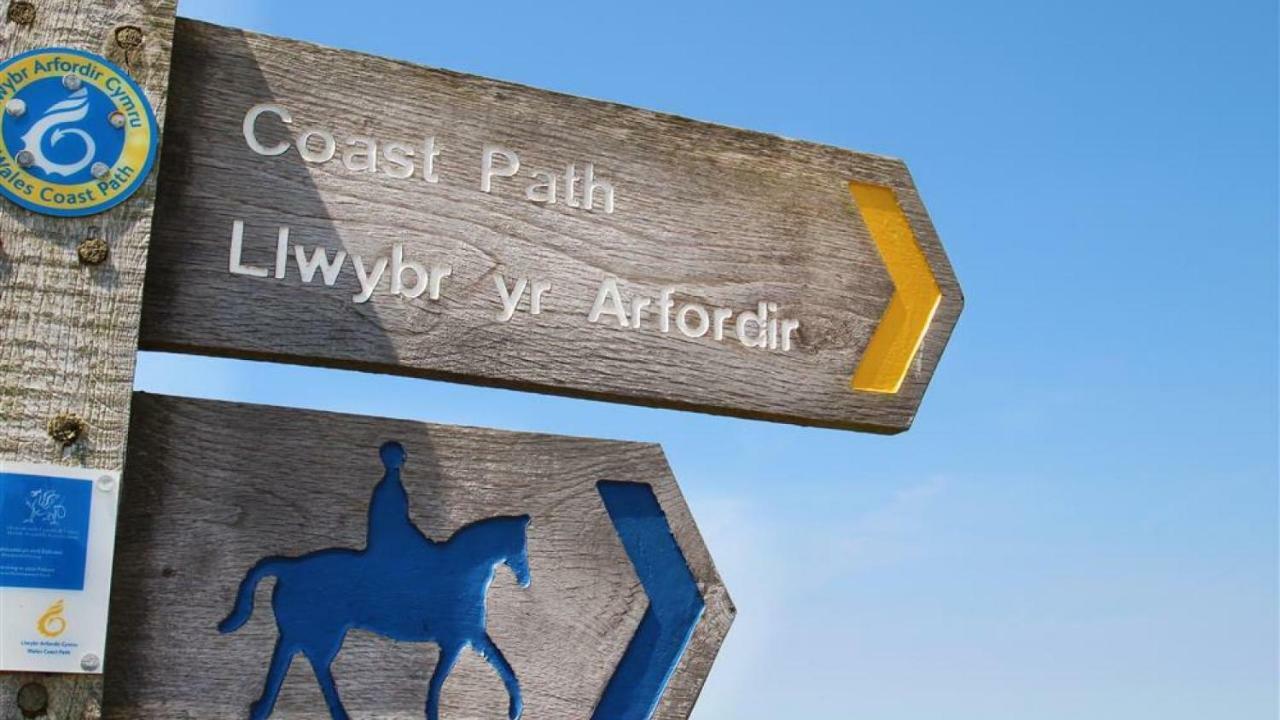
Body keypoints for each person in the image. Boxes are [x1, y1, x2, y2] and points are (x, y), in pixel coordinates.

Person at [367, 441, 431, 553]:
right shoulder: (388, 488)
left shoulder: (389, 486)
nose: (402, 459)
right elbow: (394, 520)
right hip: (392, 538)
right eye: (399, 456)